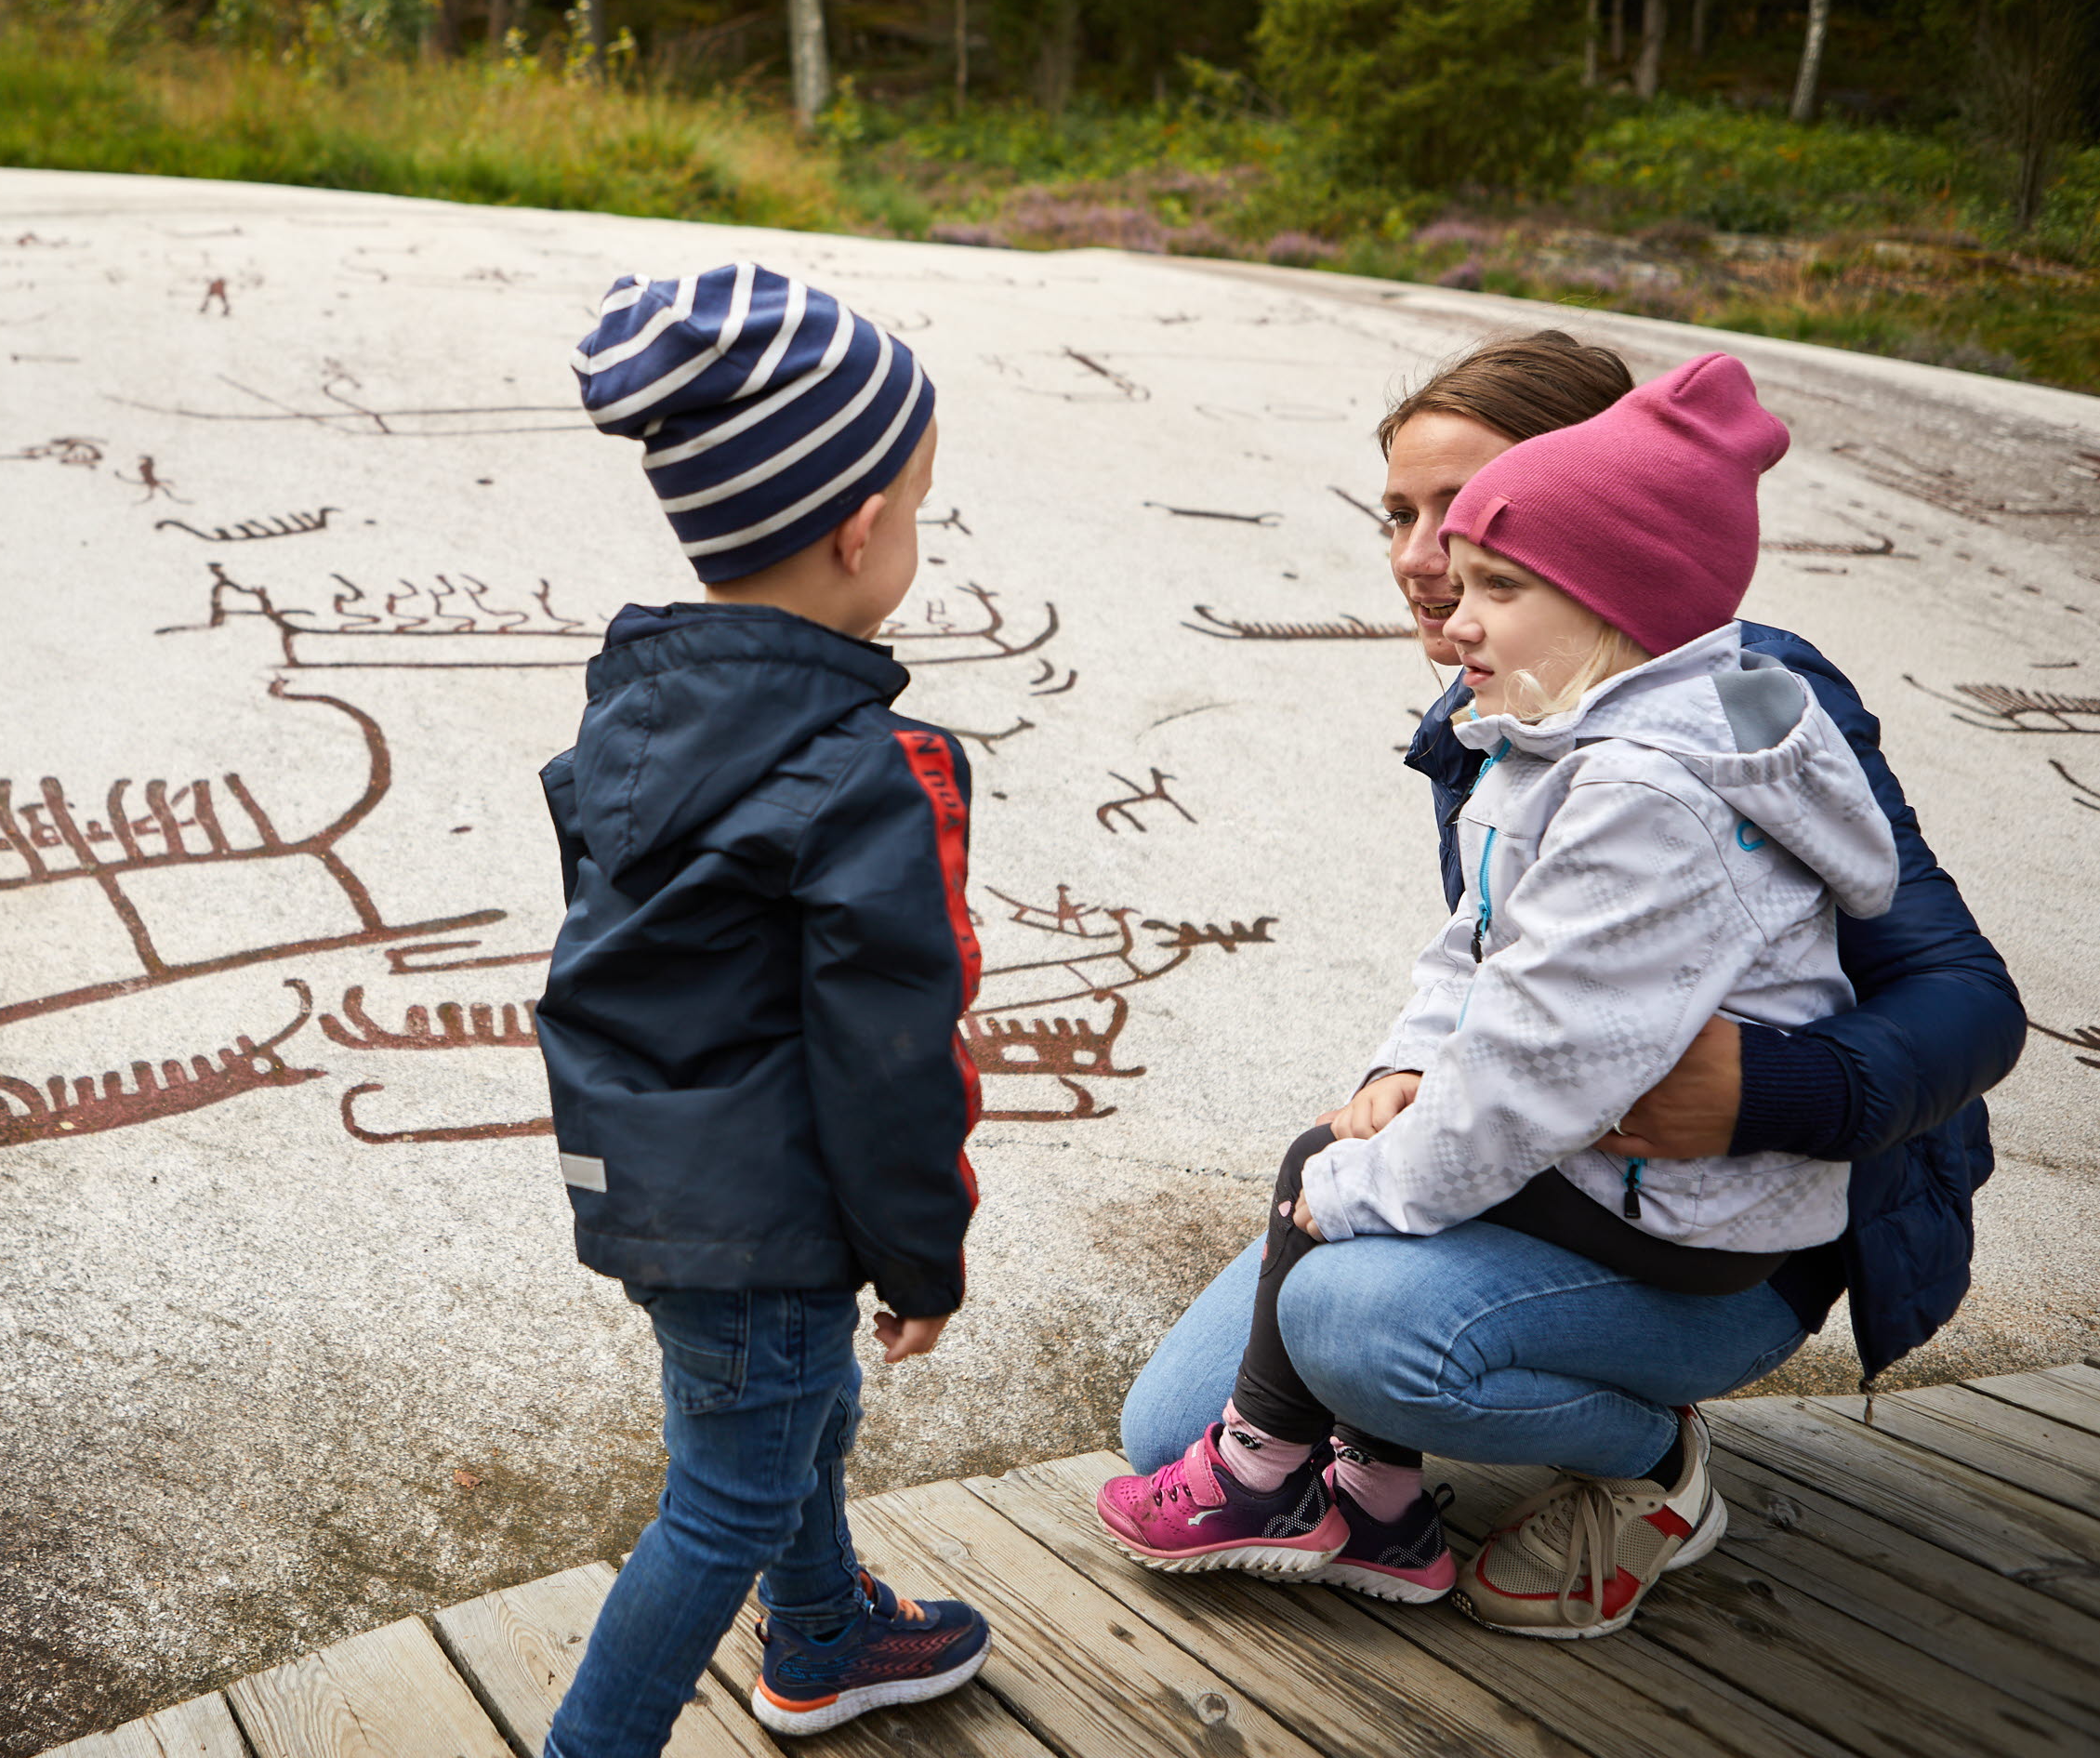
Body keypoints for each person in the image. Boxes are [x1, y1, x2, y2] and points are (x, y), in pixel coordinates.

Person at [1116, 330, 2024, 1639]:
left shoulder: (1726, 721)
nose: (1423, 561)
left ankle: (1650, 1464)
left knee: (1355, 1326)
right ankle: (1375, 1472)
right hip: (1563, 1160)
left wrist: (1759, 1089)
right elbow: (1491, 971)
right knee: (1169, 1429)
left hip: (1734, 1216)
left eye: (1474, 522)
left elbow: (1968, 999)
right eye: (1404, 515)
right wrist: (1399, 1076)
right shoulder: (1512, 705)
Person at [535, 265, 991, 1756]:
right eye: (917, 509)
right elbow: (889, 1053)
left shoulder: (638, 709)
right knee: (723, 1494)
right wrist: (921, 1250)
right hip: (771, 1198)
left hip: (658, 1176)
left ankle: (824, 1634)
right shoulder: (867, 766)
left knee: (792, 1416)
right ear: (861, 529)